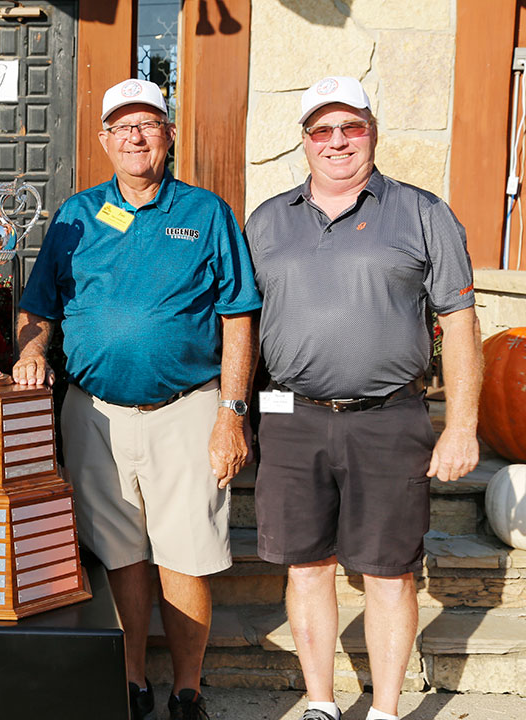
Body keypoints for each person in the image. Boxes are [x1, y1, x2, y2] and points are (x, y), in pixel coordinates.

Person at [13, 78, 261, 720]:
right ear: (104, 141)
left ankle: (186, 690)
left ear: (168, 135)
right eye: (122, 126)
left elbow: (239, 315)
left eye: (148, 123)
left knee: (186, 554)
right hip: (94, 414)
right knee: (119, 551)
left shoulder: (207, 213)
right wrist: (33, 351)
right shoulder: (76, 213)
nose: (135, 136)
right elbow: (38, 306)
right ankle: (129, 683)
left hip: (187, 410)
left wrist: (232, 413)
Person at [244, 76, 482, 720]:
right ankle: (321, 703)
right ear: (304, 142)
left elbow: (459, 321)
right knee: (307, 566)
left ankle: (382, 709)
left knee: (388, 571)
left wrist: (462, 424)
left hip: (389, 416)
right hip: (289, 415)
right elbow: (239, 324)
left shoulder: (422, 211)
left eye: (351, 126)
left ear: (373, 132)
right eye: (322, 129)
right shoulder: (266, 221)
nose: (337, 141)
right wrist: (234, 413)